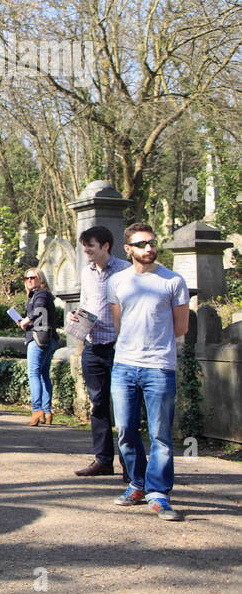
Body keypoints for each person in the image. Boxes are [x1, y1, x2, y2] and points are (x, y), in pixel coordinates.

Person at [108, 223, 190, 521]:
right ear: (128, 249)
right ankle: (137, 484)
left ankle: (159, 493)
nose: (149, 248)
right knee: (127, 430)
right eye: (141, 244)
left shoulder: (173, 281)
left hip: (159, 367)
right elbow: (119, 324)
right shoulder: (117, 282)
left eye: (152, 243)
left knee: (160, 435)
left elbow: (181, 327)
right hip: (124, 366)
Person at [70, 225, 133, 478]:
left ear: (106, 246)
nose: (86, 250)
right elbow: (86, 303)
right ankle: (103, 460)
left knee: (124, 407)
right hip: (93, 346)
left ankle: (130, 467)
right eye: (84, 246)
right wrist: (77, 317)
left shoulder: (126, 271)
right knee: (98, 405)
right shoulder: (87, 272)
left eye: (91, 246)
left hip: (120, 348)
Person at [18, 269, 58, 425]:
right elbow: (40, 315)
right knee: (43, 375)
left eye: (32, 277)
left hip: (38, 340)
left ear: (40, 279)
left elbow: (39, 308)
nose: (29, 280)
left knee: (33, 374)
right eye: (26, 277)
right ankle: (47, 412)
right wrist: (25, 322)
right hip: (49, 339)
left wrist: (27, 320)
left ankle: (36, 410)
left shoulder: (40, 294)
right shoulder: (44, 294)